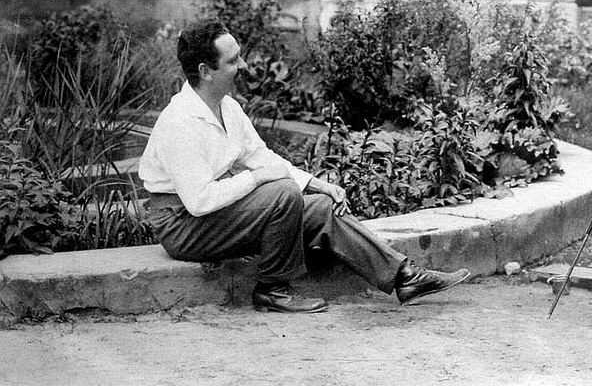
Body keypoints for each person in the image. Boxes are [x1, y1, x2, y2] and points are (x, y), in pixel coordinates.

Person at [139, 19, 470, 314]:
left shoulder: (227, 107)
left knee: (322, 207)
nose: (243, 64)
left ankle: (405, 277)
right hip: (183, 226)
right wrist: (256, 180)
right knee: (281, 192)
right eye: (233, 60)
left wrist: (317, 184)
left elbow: (262, 157)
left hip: (210, 219)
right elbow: (199, 202)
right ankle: (272, 290)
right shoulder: (180, 121)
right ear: (205, 71)